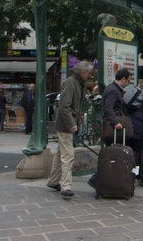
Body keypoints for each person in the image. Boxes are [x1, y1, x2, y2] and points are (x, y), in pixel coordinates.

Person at [47, 61, 92, 198]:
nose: (89, 75)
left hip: (66, 123)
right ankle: (65, 186)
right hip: (66, 124)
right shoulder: (71, 83)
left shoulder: (76, 82)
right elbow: (64, 106)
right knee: (68, 155)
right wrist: (72, 123)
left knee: (61, 153)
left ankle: (54, 180)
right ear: (82, 72)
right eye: (88, 72)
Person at [87, 68, 132, 189]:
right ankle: (96, 179)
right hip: (113, 129)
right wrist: (116, 122)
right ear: (123, 79)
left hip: (113, 128)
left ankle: (102, 180)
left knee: (112, 154)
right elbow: (108, 108)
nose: (128, 83)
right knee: (112, 155)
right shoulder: (113, 90)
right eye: (128, 80)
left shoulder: (113, 89)